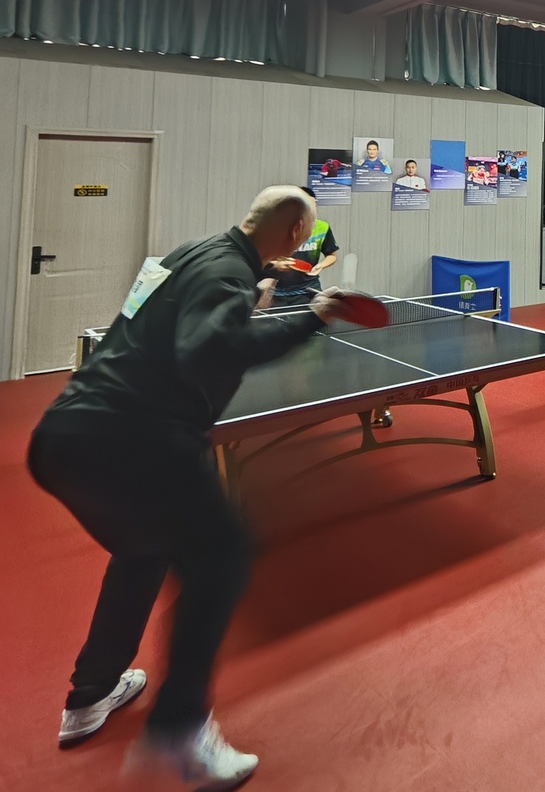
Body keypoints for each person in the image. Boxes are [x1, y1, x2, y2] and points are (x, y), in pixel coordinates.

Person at [28, 187, 348, 783]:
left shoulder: (187, 253)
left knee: (143, 550)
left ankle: (91, 694)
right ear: (297, 233)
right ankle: (180, 727)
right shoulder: (229, 276)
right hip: (141, 438)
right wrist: (312, 318)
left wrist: (247, 297)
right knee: (223, 555)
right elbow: (208, 348)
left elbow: (154, 318)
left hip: (66, 437)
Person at [265, 186, 337, 307]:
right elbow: (260, 257)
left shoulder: (322, 227)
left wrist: (321, 265)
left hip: (310, 289)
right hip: (279, 292)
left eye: (314, 205)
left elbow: (332, 255)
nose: (312, 210)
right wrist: (275, 265)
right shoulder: (276, 227)